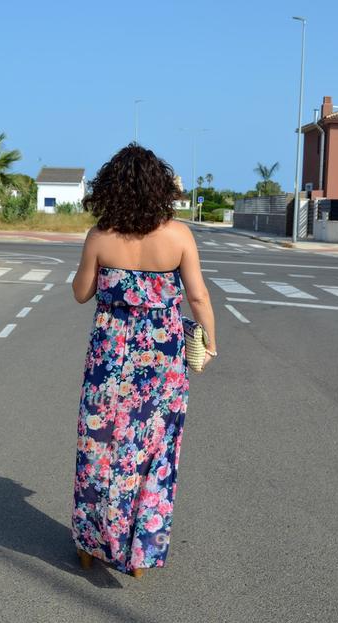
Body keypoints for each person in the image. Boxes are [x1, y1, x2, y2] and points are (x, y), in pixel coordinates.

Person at [71, 143, 217, 578]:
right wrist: (209, 341)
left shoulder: (100, 236)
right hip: (162, 364)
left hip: (110, 361)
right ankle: (140, 553)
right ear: (159, 188)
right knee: (154, 452)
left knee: (100, 452)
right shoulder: (177, 236)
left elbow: (81, 293)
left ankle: (92, 545)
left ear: (111, 187)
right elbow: (197, 296)